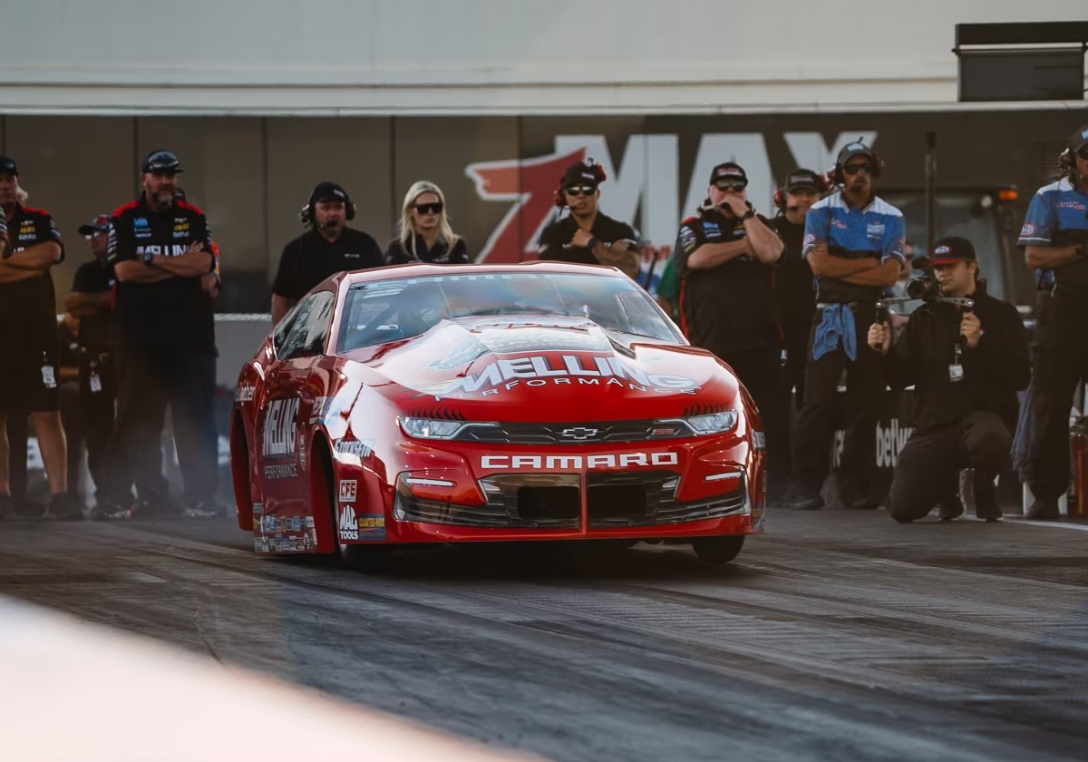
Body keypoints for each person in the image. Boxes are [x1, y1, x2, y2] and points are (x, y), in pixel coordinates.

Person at [94, 149, 225, 520]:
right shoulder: (124, 217)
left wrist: (150, 260)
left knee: (195, 420)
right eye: (159, 174)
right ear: (145, 179)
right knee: (136, 421)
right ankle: (120, 497)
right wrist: (177, 267)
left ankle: (201, 498)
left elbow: (203, 264)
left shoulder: (193, 216)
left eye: (171, 174)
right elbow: (124, 272)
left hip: (190, 341)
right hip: (139, 341)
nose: (166, 181)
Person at [868, 237, 1030, 522]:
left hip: (984, 418)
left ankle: (984, 488)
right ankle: (947, 491)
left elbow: (1020, 377)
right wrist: (883, 352)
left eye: (950, 266)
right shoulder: (924, 316)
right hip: (935, 425)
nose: (941, 273)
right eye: (937, 268)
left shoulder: (1002, 313)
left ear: (972, 267)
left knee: (988, 437)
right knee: (903, 509)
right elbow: (900, 378)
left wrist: (981, 344)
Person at [784, 140, 905, 511]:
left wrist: (847, 267)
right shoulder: (820, 211)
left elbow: (892, 271)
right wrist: (870, 266)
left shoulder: (891, 215)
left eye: (864, 168)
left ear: (873, 172)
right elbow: (819, 268)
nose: (858, 175)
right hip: (828, 315)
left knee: (866, 403)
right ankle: (806, 484)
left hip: (870, 314)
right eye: (851, 169)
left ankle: (856, 485)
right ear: (840, 174)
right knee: (816, 401)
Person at [673, 162, 788, 495]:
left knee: (771, 418)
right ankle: (713, 483)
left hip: (760, 342)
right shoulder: (694, 225)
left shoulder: (759, 223)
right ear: (710, 190)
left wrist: (746, 216)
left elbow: (771, 251)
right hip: (711, 347)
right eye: (723, 188)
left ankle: (777, 486)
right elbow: (698, 259)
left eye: (737, 188)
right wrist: (742, 247)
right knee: (712, 418)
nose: (730, 194)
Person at [0, 156, 82, 520]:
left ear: (18, 183)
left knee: (48, 412)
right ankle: (2, 495)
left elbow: (51, 253)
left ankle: (60, 495)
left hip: (39, 335)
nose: (4, 185)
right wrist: (28, 265)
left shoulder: (39, 219)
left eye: (9, 178)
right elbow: (37, 263)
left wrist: (6, 264)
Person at [1019, 124, 1088, 520]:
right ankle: (1045, 494)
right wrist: (1081, 248)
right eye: (1087, 153)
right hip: (1063, 310)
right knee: (1051, 403)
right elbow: (1034, 258)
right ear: (1073, 159)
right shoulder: (1050, 197)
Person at [271, 182, 384, 327]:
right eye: (326, 208)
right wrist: (279, 340)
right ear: (312, 213)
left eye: (338, 207)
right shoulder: (296, 250)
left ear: (347, 211)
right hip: (308, 335)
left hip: (357, 333)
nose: (333, 213)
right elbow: (281, 299)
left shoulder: (365, 245)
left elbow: (383, 291)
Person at [65, 214, 118, 501]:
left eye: (100, 233)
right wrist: (105, 301)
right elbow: (72, 304)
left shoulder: (123, 267)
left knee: (121, 426)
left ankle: (123, 489)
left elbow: (119, 301)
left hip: (118, 358)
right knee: (94, 429)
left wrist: (93, 301)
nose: (94, 239)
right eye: (91, 235)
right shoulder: (86, 270)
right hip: (91, 359)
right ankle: (103, 491)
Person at [771, 168, 828, 411]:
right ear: (783, 197)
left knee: (815, 401)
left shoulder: (828, 230)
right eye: (798, 193)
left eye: (810, 193)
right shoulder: (769, 229)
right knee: (777, 400)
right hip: (778, 329)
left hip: (818, 326)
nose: (805, 199)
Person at [537, 159, 640, 280]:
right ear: (564, 196)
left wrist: (593, 243)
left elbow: (631, 271)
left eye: (588, 189)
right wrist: (611, 254)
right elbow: (548, 278)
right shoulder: (552, 234)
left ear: (598, 194)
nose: (581, 195)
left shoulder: (620, 231)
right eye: (573, 190)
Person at [385, 181, 470, 265]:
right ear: (410, 211)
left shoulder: (455, 245)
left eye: (436, 207)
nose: (430, 212)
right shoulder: (398, 248)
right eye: (423, 208)